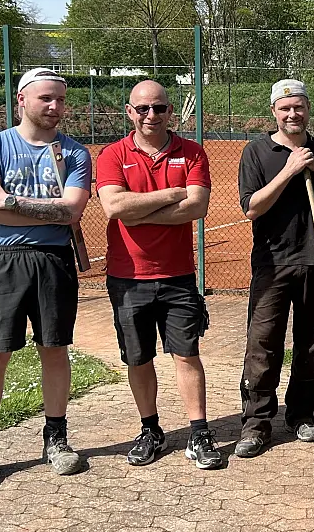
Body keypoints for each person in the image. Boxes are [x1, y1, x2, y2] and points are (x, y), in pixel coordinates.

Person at [0, 68, 92, 494]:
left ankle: (56, 438)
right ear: (22, 100)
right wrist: (43, 207)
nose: (55, 107)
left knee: (54, 350)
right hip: (1, 260)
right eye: (45, 99)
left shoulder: (73, 153)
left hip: (53, 260)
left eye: (60, 99)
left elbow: (71, 212)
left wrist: (10, 201)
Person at [94, 80, 222, 470]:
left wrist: (140, 212)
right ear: (130, 112)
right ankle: (150, 429)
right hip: (127, 275)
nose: (152, 115)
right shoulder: (113, 154)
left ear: (171, 112)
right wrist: (172, 193)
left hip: (177, 275)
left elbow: (197, 206)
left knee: (187, 354)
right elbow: (113, 207)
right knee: (138, 358)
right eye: (143, 108)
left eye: (160, 108)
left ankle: (199, 432)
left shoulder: (192, 152)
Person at [235, 79, 314, 458]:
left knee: (311, 344)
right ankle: (256, 423)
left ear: (308, 109)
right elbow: (251, 207)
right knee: (263, 344)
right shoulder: (256, 152)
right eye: (285, 109)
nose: (292, 114)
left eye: (298, 107)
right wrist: (288, 171)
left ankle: (301, 413)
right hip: (272, 263)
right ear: (274, 112)